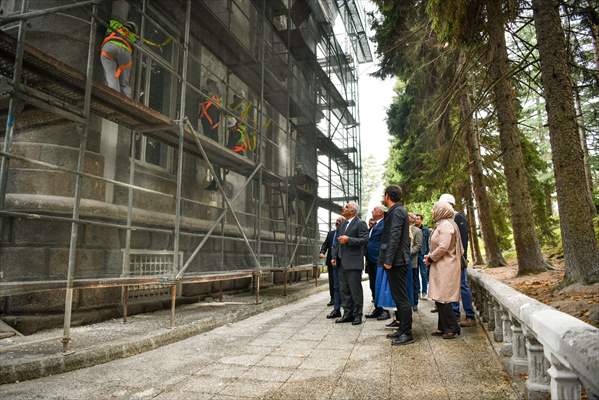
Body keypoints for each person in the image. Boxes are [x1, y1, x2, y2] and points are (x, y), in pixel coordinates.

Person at [379, 186, 413, 345]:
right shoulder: (396, 211)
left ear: (387, 196)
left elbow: (394, 236)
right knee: (398, 297)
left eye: (383, 195)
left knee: (401, 298)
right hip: (396, 260)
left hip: (397, 261)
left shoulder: (398, 211)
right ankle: (402, 329)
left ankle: (407, 333)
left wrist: (388, 260)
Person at [425, 201, 464, 339]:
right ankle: (443, 327)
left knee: (444, 298)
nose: (433, 212)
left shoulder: (446, 225)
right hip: (441, 265)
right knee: (440, 298)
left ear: (442, 210)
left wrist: (430, 258)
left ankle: (452, 328)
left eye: (434, 209)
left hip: (446, 266)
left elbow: (443, 247)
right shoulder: (443, 224)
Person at [439, 193, 476, 328]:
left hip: (458, 259)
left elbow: (463, 241)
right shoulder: (447, 219)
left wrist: (461, 258)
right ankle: (455, 314)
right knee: (452, 288)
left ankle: (470, 316)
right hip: (450, 260)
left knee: (463, 286)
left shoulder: (458, 217)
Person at [331, 202, 369, 325]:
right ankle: (347, 314)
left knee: (355, 290)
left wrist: (349, 240)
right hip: (342, 262)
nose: (343, 208)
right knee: (344, 290)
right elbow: (337, 242)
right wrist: (334, 256)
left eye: (346, 207)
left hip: (353, 262)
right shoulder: (342, 224)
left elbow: (364, 240)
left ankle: (357, 315)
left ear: (353, 211)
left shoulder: (360, 223)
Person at [100, 19, 138, 97]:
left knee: (111, 75)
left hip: (110, 48)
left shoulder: (114, 24)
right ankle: (127, 100)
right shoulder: (133, 37)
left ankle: (114, 96)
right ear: (134, 31)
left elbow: (101, 27)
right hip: (126, 53)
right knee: (124, 82)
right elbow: (133, 50)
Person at [365, 206, 389, 320]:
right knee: (373, 285)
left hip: (379, 260)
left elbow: (385, 242)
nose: (372, 211)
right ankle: (377, 308)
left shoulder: (384, 224)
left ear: (380, 213)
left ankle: (384, 310)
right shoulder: (375, 225)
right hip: (371, 260)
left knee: (380, 285)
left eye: (374, 210)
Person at [320, 217, 345, 309]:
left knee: (341, 280)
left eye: (339, 222)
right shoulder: (330, 234)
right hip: (331, 260)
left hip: (341, 260)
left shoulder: (345, 234)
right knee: (332, 280)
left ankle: (342, 299)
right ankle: (333, 298)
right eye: (336, 222)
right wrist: (322, 252)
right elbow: (325, 244)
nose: (337, 224)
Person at [409, 213, 423, 311]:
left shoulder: (417, 231)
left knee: (414, 282)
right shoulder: (401, 229)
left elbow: (418, 245)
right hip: (402, 262)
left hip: (412, 261)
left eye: (409, 216)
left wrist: (408, 253)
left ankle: (415, 303)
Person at [415, 214, 430, 299]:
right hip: (414, 255)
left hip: (423, 254)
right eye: (416, 219)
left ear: (421, 220)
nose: (416, 220)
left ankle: (424, 292)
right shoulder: (412, 229)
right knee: (415, 273)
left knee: (424, 273)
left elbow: (428, 243)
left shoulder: (426, 230)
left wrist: (427, 253)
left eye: (418, 219)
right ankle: (417, 291)